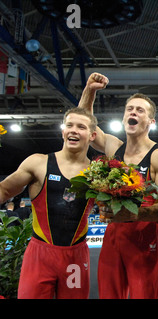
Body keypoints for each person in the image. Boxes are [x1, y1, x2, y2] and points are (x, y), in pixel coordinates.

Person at [78, 72, 158, 299]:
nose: (133, 112)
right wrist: (89, 91)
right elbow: (85, 123)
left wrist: (133, 214)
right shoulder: (115, 148)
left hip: (143, 240)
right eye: (129, 109)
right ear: (124, 118)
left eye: (140, 110)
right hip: (113, 237)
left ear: (151, 122)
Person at [0, 107, 98, 299]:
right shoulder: (38, 163)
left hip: (75, 259)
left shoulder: (98, 173)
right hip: (40, 254)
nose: (73, 130)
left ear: (93, 135)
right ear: (63, 131)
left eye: (81, 127)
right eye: (69, 125)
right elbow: (4, 190)